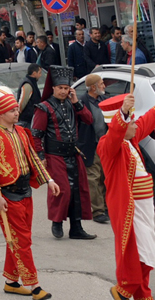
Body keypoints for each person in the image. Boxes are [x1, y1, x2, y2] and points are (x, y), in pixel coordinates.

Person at [98, 93, 155, 300]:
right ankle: (123, 291)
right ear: (119, 124)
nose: (134, 124)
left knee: (145, 248)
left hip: (144, 205)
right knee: (137, 251)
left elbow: (143, 124)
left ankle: (144, 299)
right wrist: (122, 113)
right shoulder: (108, 145)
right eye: (129, 121)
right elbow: (115, 133)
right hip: (128, 206)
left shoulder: (130, 139)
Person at [0, 86, 59, 300]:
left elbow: (33, 159)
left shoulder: (22, 132)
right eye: (12, 111)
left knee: (17, 239)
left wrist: (49, 180)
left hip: (25, 192)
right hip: (7, 195)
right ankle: (34, 285)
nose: (16, 113)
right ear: (0, 113)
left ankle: (11, 282)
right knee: (22, 240)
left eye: (17, 110)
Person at [31, 66, 97, 240]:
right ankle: (57, 222)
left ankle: (76, 228)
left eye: (66, 88)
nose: (63, 91)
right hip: (54, 155)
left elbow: (89, 119)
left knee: (78, 190)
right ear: (53, 88)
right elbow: (36, 135)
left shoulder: (73, 104)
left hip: (73, 154)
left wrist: (76, 102)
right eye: (60, 88)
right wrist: (41, 157)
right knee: (62, 190)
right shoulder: (43, 107)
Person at [77, 74, 110, 224]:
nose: (104, 86)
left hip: (105, 144)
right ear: (92, 87)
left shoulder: (103, 100)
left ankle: (106, 206)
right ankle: (98, 211)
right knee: (93, 178)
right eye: (101, 84)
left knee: (104, 176)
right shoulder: (81, 102)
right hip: (90, 145)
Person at [17, 63, 43, 129]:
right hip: (27, 121)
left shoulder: (32, 83)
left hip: (32, 119)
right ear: (34, 73)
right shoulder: (28, 85)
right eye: (39, 73)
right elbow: (22, 103)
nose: (40, 75)